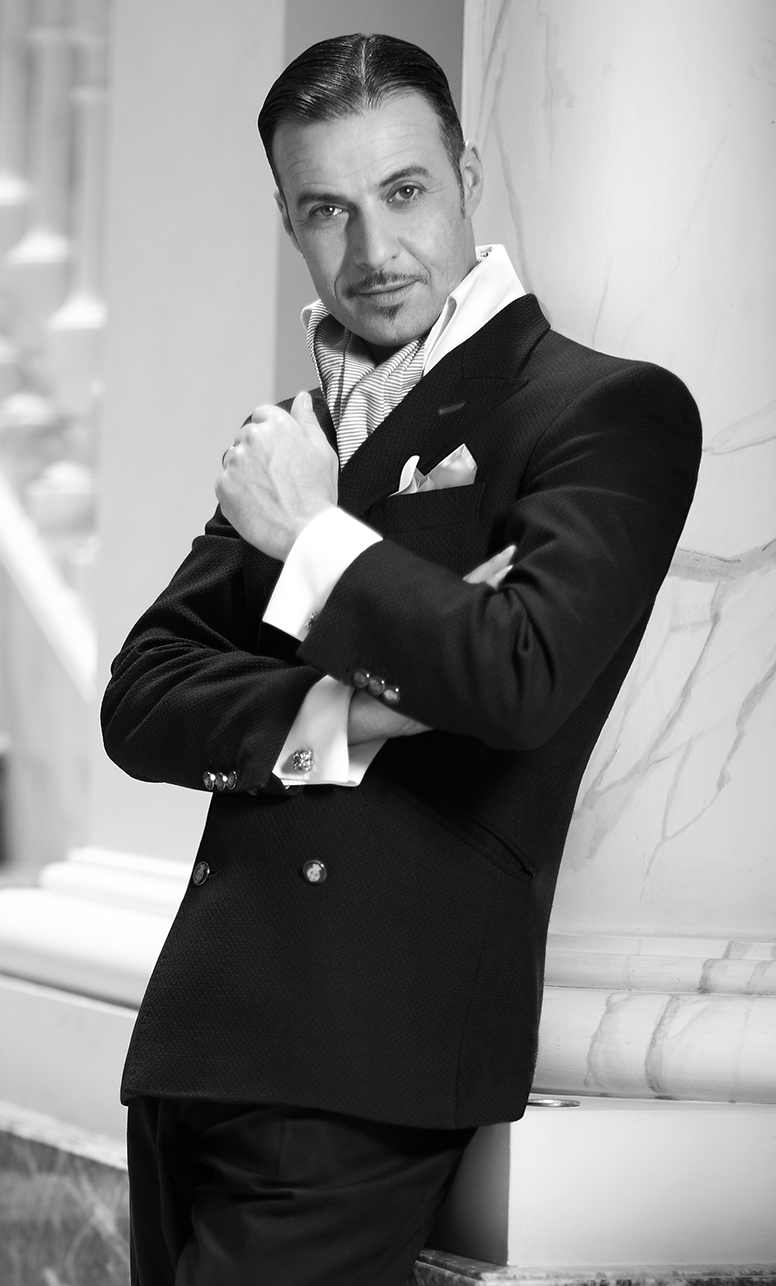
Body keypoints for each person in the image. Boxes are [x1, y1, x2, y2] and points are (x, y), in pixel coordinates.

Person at [101, 32, 701, 1286]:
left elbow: (515, 673)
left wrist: (313, 536)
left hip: (369, 1050)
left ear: (466, 177)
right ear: (288, 220)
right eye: (327, 209)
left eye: (404, 190)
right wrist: (363, 705)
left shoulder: (602, 409)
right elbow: (142, 695)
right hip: (198, 1034)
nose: (372, 249)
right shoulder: (299, 434)